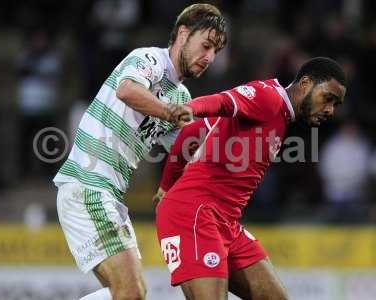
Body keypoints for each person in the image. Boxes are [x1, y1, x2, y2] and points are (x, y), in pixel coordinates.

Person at [53, 3, 227, 300]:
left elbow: (186, 152)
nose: (209, 57)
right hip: (88, 184)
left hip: (109, 194)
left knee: (132, 293)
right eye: (206, 45)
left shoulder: (181, 96)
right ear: (183, 34)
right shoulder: (149, 59)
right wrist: (171, 114)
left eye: (215, 52)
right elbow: (127, 91)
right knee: (131, 291)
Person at [154, 57, 347, 300]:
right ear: (306, 83)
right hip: (194, 213)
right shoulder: (268, 97)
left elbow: (194, 131)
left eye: (336, 104)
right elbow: (221, 102)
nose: (330, 110)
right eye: (328, 98)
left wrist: (165, 186)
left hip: (227, 222)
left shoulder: (278, 116)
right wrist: (191, 108)